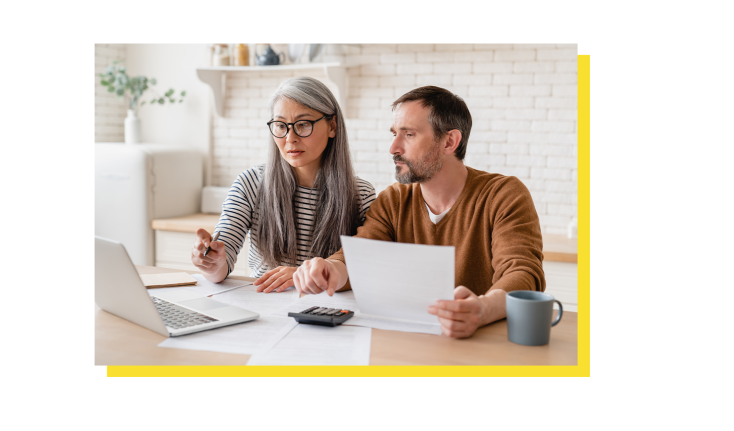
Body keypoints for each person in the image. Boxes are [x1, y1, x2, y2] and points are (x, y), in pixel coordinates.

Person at [292, 86, 545, 338]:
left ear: (449, 142)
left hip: (482, 344)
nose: (393, 148)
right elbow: (359, 257)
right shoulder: (394, 200)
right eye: (394, 134)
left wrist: (482, 309)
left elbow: (523, 274)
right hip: (411, 341)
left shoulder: (503, 195)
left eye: (409, 134)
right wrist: (329, 269)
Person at [190, 76, 376, 293]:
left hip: (328, 310)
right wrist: (211, 261)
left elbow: (365, 269)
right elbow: (221, 264)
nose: (290, 138)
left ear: (332, 126)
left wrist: (302, 276)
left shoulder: (361, 194)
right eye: (280, 126)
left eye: (303, 124)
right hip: (266, 305)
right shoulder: (251, 183)